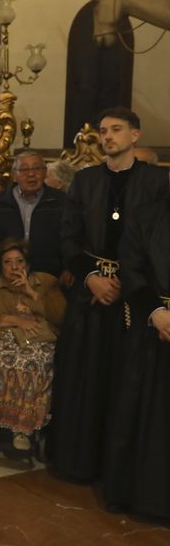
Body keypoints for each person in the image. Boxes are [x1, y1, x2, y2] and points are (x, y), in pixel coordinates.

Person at [50, 107, 168, 483]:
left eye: (116, 130)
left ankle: (119, 472)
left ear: (135, 135)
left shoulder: (157, 181)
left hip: (141, 297)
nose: (108, 137)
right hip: (93, 293)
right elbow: (68, 238)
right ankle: (79, 464)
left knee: (127, 383)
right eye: (103, 131)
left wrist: (138, 285)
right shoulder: (85, 181)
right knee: (87, 377)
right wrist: (91, 279)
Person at [0, 239, 66, 450]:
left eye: (19, 261)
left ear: (28, 263)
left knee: (31, 362)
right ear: (0, 265)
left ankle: (22, 430)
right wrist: (16, 320)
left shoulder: (46, 282)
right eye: (7, 262)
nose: (14, 267)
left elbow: (60, 316)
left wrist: (31, 293)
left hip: (38, 340)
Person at [106, 191, 170, 517]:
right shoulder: (146, 215)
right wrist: (156, 312)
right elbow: (132, 269)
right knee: (144, 411)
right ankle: (144, 498)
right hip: (151, 329)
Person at [0, 153, 66, 278]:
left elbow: (69, 238)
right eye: (25, 169)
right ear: (14, 175)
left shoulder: (61, 200)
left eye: (37, 168)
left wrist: (67, 268)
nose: (31, 174)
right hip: (6, 276)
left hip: (48, 275)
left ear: (45, 172)